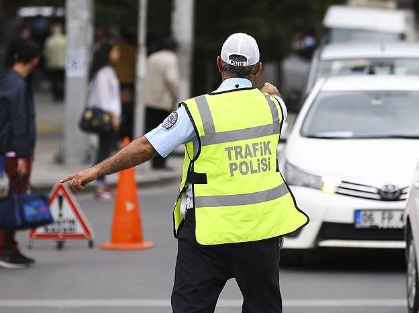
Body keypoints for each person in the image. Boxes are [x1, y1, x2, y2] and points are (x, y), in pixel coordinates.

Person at [62, 33, 309, 312]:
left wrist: (95, 171)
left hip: (207, 233)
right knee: (263, 307)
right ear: (258, 68)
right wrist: (269, 92)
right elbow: (273, 96)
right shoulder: (275, 107)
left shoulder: (197, 111)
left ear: (219, 64)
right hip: (261, 231)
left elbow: (146, 146)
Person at [0, 39, 40, 269]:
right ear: (34, 60)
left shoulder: (8, 80)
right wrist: (22, 155)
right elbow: (18, 122)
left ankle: (9, 247)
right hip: (16, 151)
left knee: (14, 195)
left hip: (11, 149)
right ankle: (6, 250)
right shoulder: (18, 85)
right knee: (14, 197)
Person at [87, 40, 122, 200]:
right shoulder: (103, 73)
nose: (118, 55)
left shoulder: (108, 71)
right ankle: (99, 184)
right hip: (107, 117)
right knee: (104, 150)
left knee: (105, 149)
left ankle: (101, 182)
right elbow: (104, 98)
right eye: (115, 51)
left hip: (110, 116)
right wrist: (113, 116)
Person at [144, 37, 179, 170]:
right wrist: (175, 95)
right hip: (163, 101)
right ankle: (160, 163)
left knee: (152, 133)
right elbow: (171, 79)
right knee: (165, 133)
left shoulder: (151, 57)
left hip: (149, 100)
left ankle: (153, 161)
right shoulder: (171, 59)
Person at [43, 23, 66, 102]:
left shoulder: (49, 40)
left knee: (54, 80)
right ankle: (61, 94)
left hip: (53, 64)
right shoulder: (65, 40)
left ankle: (56, 94)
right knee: (62, 80)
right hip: (63, 64)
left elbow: (46, 53)